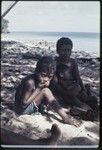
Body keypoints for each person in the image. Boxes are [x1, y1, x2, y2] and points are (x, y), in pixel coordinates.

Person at [14, 56, 80, 126]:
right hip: (21, 110)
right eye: (43, 75)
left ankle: (59, 110)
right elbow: (23, 104)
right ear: (36, 71)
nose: (46, 79)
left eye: (50, 77)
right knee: (46, 91)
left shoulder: (41, 80)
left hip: (28, 105)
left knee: (52, 96)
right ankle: (66, 118)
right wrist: (38, 89)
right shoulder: (30, 82)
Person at [50, 37, 98, 120]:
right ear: (58, 51)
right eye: (64, 50)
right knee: (76, 102)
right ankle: (89, 112)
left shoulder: (72, 62)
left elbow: (78, 78)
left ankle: (88, 96)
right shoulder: (55, 64)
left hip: (73, 87)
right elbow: (55, 85)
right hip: (63, 91)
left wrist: (82, 90)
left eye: (69, 50)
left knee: (87, 97)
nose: (66, 53)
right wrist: (67, 93)